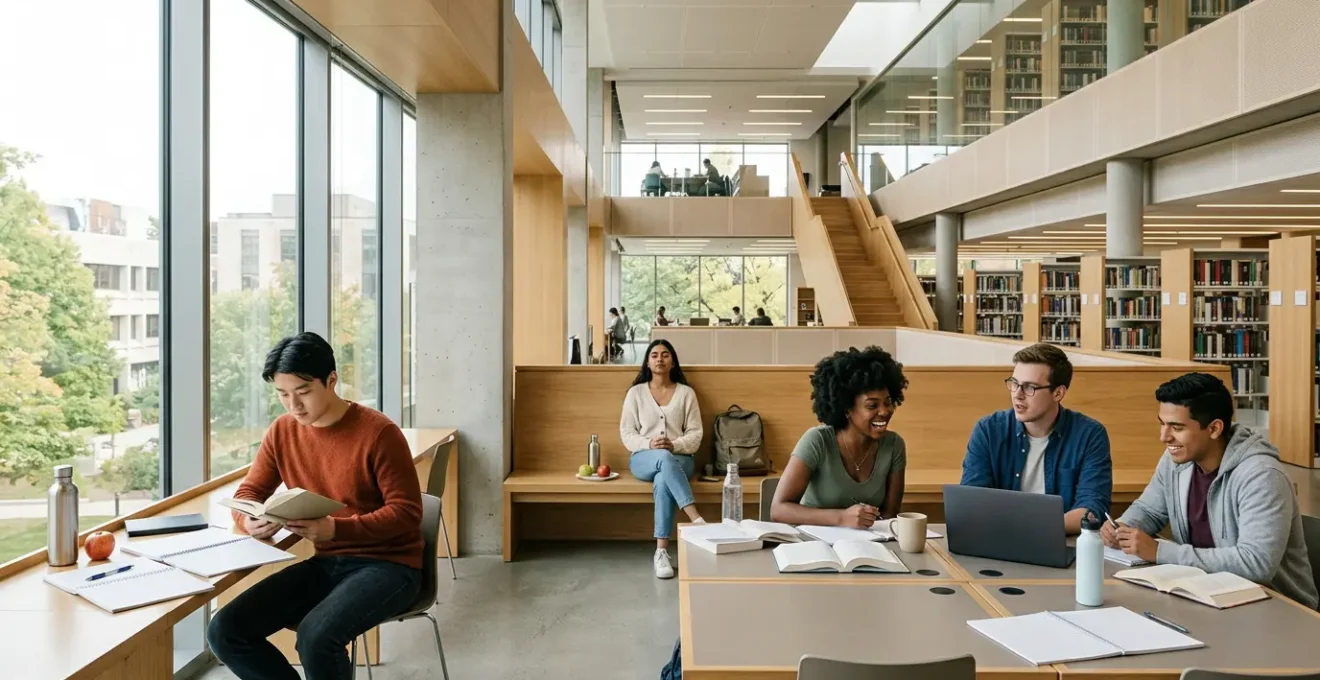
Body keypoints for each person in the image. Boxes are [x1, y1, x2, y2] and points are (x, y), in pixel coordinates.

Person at [207, 332, 423, 680]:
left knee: (315, 637)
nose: (294, 406)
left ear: (332, 380)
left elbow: (407, 513)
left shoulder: (379, 433)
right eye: (283, 395)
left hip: (390, 566)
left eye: (303, 392)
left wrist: (337, 528)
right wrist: (249, 519)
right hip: (327, 563)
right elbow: (249, 491)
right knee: (225, 630)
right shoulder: (282, 432)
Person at [1104, 373, 1317, 608]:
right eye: (1162, 423)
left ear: (1214, 428)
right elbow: (1150, 510)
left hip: (1276, 606)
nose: (1164, 437)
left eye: (1176, 427)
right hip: (1204, 594)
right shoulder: (1176, 459)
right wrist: (1123, 527)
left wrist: (1159, 551)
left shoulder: (1262, 475)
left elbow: (1256, 564)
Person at [961, 343, 1111, 535]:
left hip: (1058, 542)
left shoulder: (1090, 434)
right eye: (1014, 383)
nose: (1017, 395)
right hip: (997, 540)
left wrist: (1034, 529)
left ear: (1058, 393)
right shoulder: (989, 430)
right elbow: (972, 499)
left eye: (1030, 387)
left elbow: (1092, 509)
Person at [771, 346, 908, 527]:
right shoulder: (817, 441)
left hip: (866, 546)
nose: (884, 411)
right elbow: (779, 509)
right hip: (813, 544)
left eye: (888, 402)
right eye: (872, 406)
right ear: (847, 409)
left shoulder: (893, 445)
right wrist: (841, 518)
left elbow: (890, 515)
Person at [620, 339, 705, 579]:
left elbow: (696, 434)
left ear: (673, 361)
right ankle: (695, 519)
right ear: (647, 362)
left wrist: (675, 444)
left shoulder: (686, 393)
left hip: (681, 460)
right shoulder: (635, 393)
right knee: (662, 460)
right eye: (655, 354)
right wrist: (649, 444)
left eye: (665, 354)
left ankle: (661, 553)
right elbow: (627, 434)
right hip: (643, 459)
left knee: (663, 479)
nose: (660, 358)